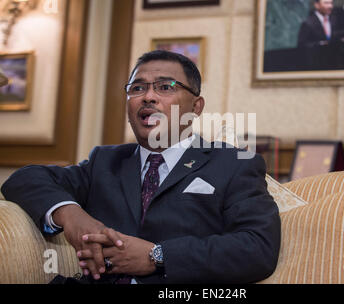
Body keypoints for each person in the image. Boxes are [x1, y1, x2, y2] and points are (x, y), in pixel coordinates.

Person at [1, 50, 281, 284]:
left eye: (165, 87)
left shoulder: (233, 164)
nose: (148, 96)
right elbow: (26, 179)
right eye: (137, 88)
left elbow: (257, 248)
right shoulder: (106, 162)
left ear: (196, 107)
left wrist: (157, 256)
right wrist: (72, 216)